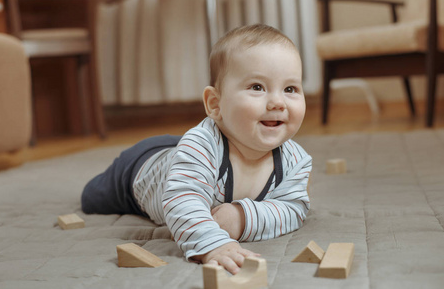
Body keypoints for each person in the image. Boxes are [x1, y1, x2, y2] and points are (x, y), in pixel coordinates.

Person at [81, 24, 312, 275]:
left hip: (184, 150)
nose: (278, 102)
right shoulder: (200, 147)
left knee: (189, 153)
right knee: (91, 198)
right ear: (215, 104)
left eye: (290, 89)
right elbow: (182, 201)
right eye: (257, 87)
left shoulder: (295, 161)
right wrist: (214, 245)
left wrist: (242, 218)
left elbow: (294, 209)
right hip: (138, 170)